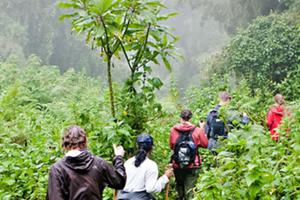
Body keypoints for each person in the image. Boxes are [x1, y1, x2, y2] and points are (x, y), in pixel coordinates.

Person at [47, 125, 126, 200]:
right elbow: (119, 181)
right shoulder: (99, 163)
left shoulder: (57, 169)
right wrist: (118, 157)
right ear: (85, 142)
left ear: (65, 144)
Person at [117, 133, 173, 200]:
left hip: (122, 197)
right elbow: (150, 189)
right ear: (151, 148)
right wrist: (165, 177)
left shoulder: (128, 162)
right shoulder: (151, 165)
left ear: (137, 146)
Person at [169, 109, 208, 200]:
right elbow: (205, 144)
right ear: (190, 119)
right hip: (193, 165)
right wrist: (202, 129)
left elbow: (172, 146)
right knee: (190, 192)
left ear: (180, 118)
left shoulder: (173, 130)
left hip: (178, 165)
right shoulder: (197, 130)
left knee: (180, 188)